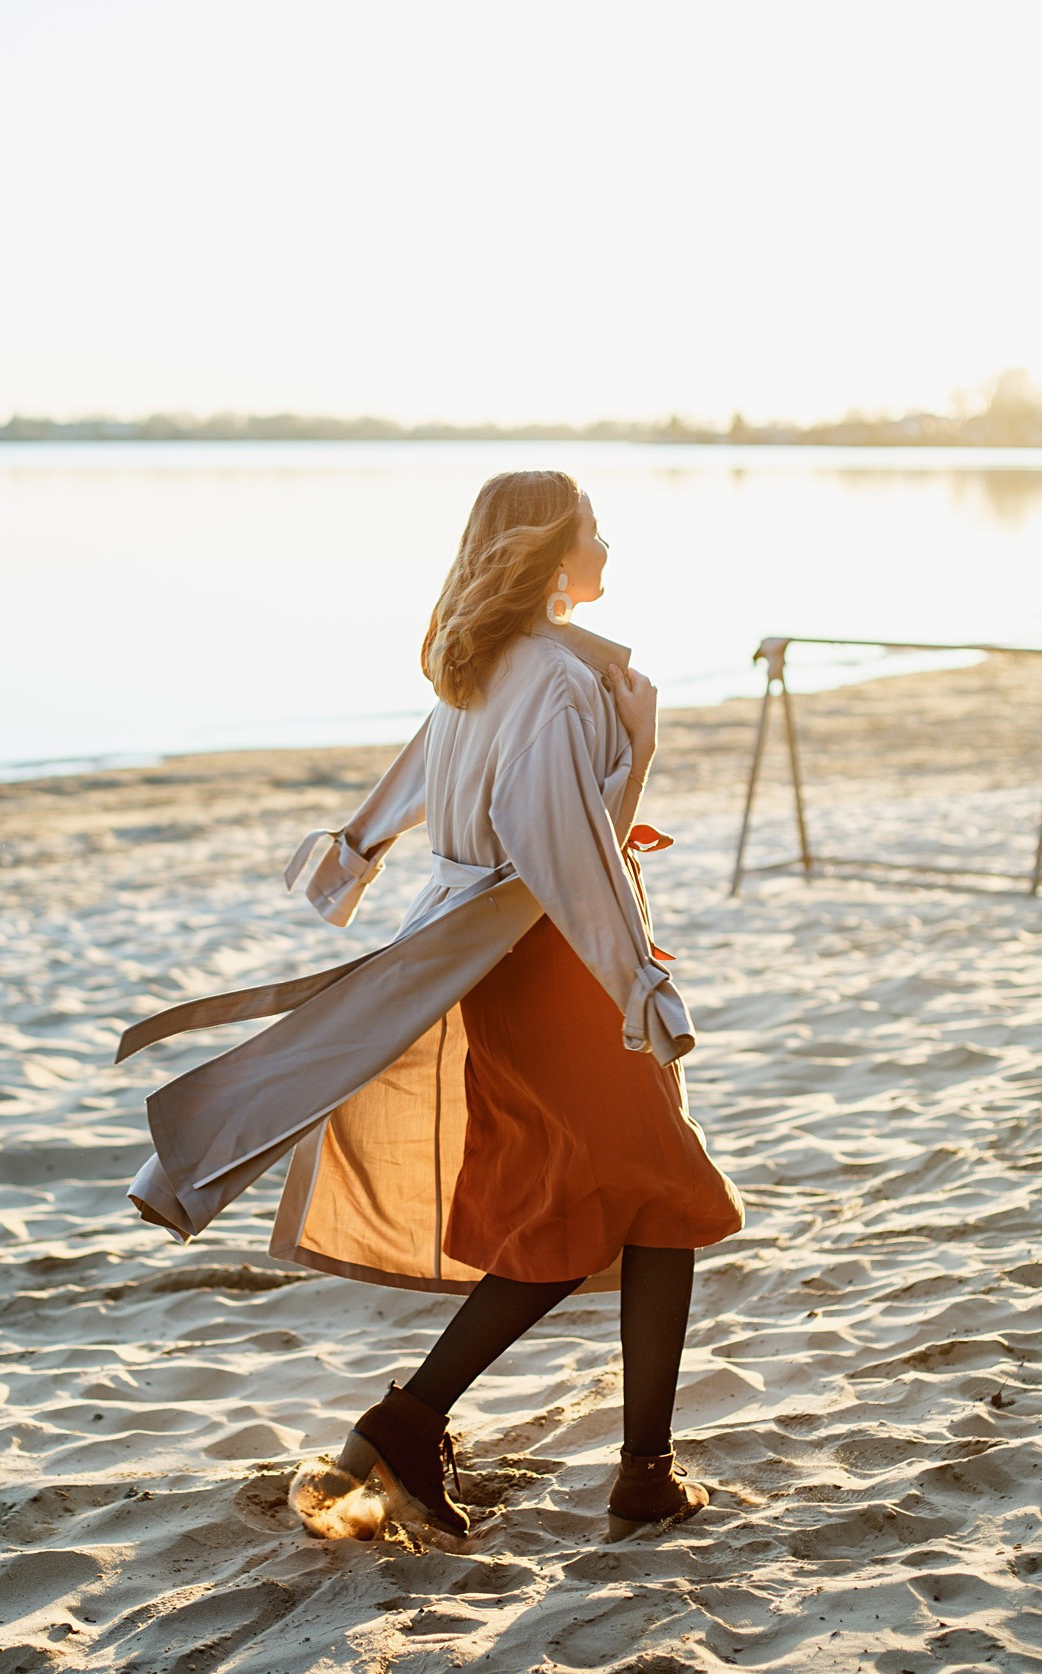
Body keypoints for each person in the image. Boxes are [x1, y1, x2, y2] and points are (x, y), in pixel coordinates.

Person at [119, 469, 744, 1543]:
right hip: (557, 968)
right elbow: (564, 851)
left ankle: (631, 1468)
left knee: (635, 1205)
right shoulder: (554, 680)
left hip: (503, 962)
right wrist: (638, 974)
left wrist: (355, 851)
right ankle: (421, 1423)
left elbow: (448, 791)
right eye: (594, 530)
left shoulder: (483, 665)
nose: (608, 547)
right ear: (549, 548)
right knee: (642, 1196)